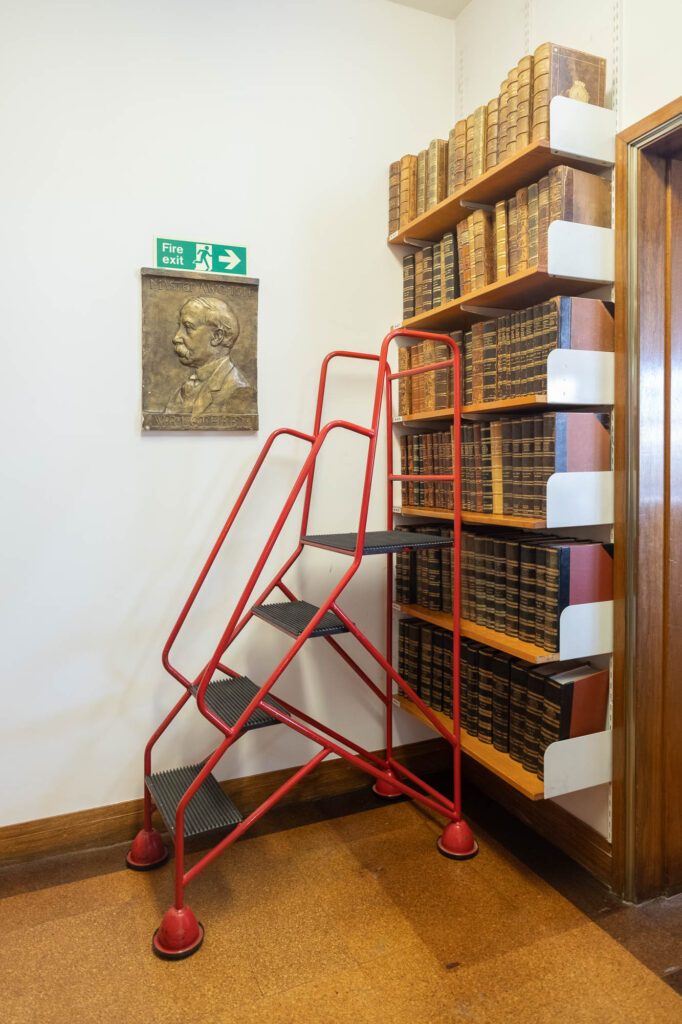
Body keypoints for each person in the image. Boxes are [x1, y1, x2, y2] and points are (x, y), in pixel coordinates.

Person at [164, 296, 255, 420]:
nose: (176, 337)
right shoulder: (182, 390)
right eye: (180, 327)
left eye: (188, 327)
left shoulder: (238, 390)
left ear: (217, 337)